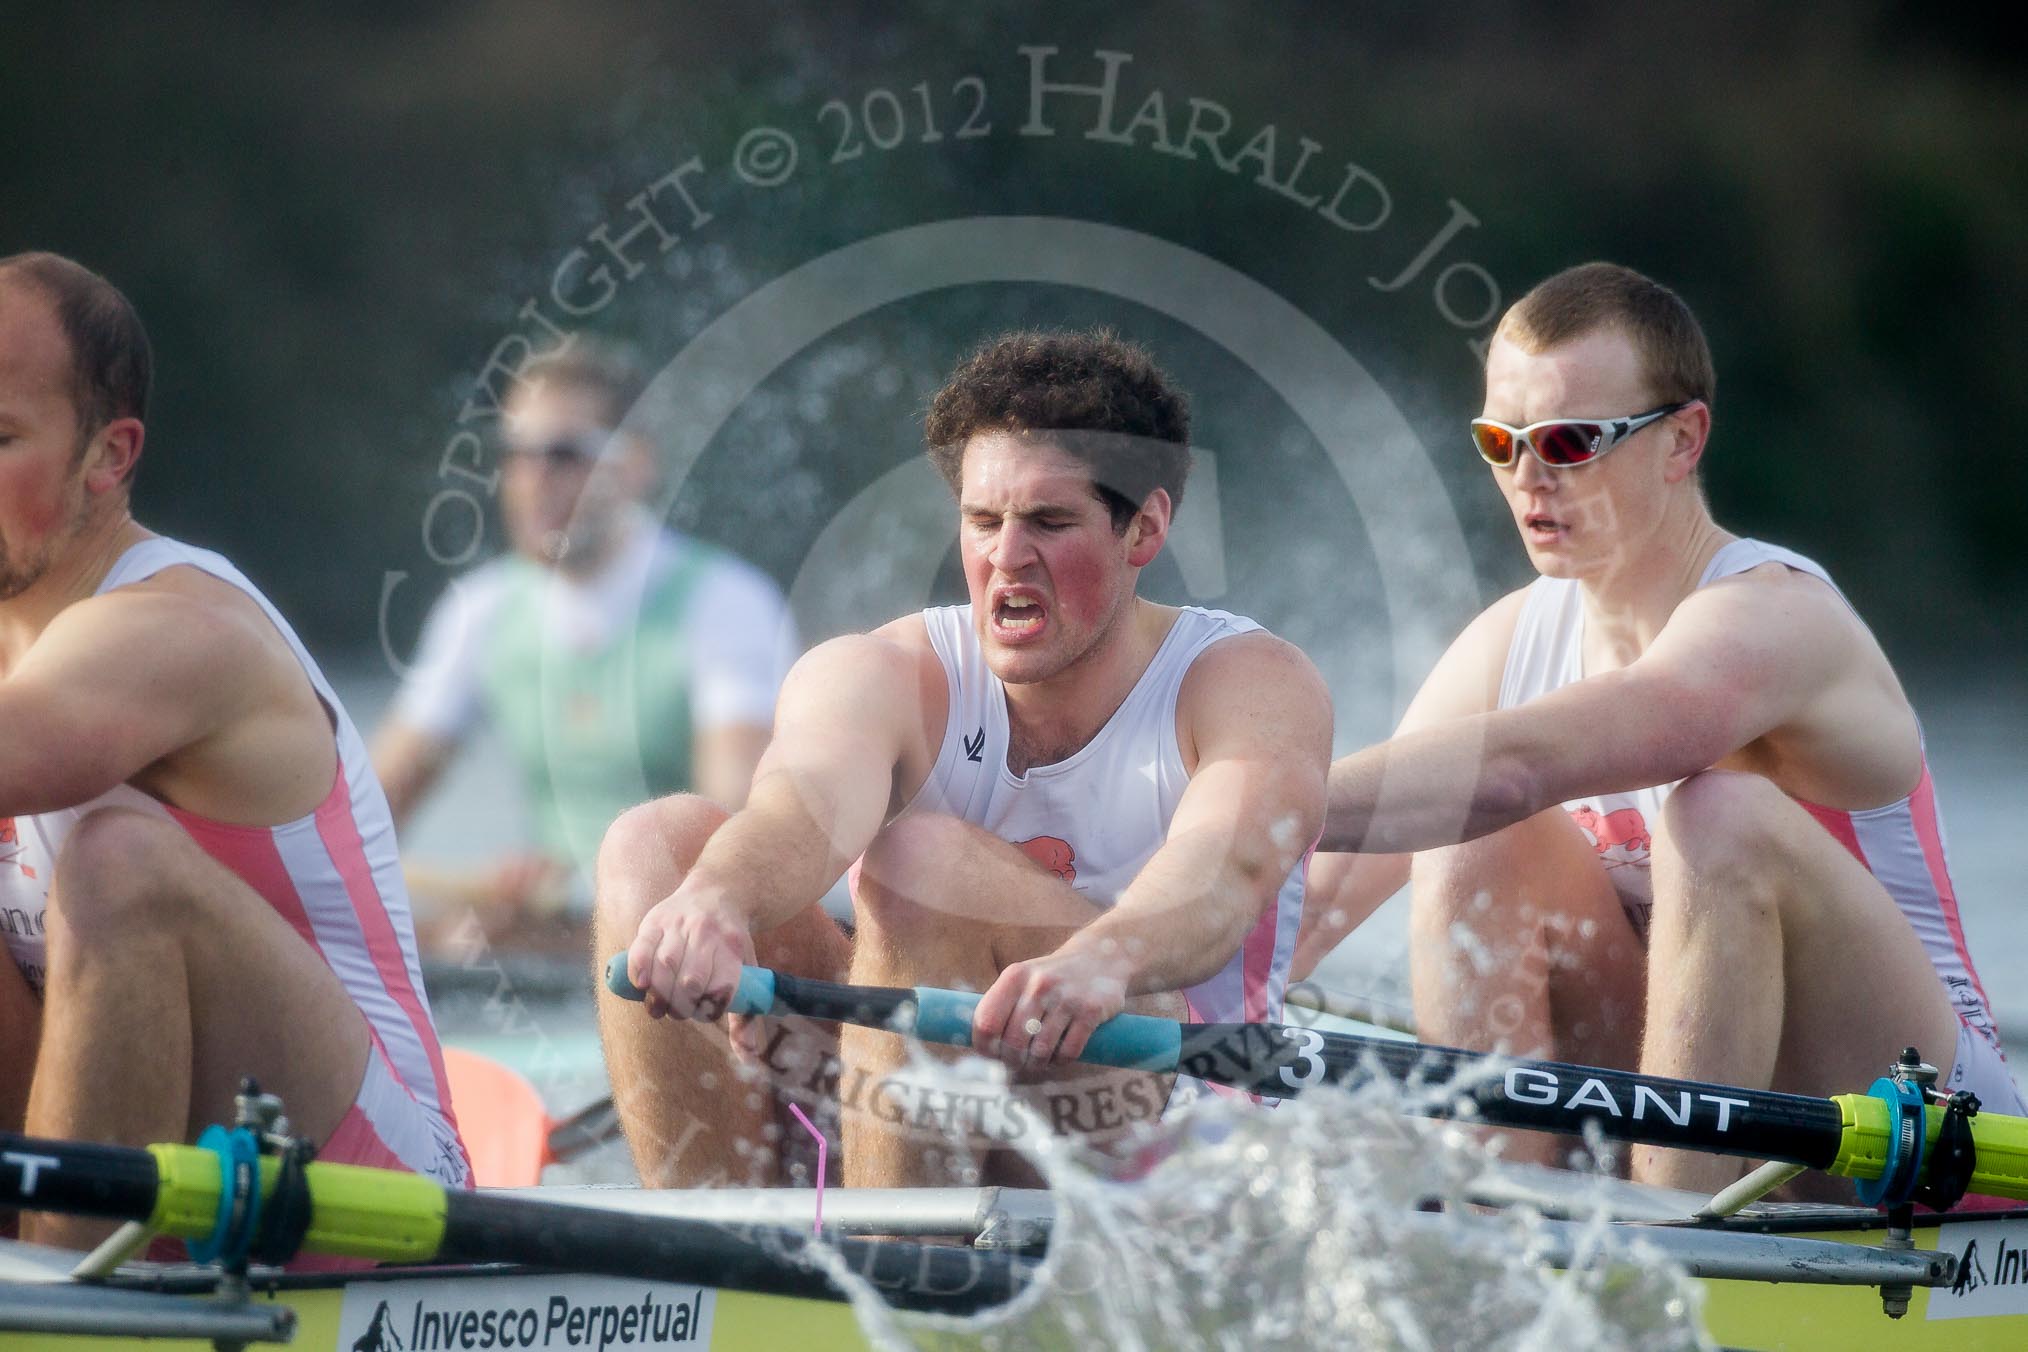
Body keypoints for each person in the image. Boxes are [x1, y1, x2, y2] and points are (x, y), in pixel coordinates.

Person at [1297, 261, 2022, 1193]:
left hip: (1923, 1130)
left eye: (1568, 441)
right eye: (1499, 441)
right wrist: (1115, 954)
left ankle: (1660, 1260)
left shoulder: (1773, 618)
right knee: (1468, 844)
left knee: (1717, 814)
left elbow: (1515, 769)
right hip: (1718, 1107)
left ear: (1682, 440)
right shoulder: (1506, 644)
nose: (1528, 477)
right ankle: (1496, 1226)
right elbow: (1304, 902)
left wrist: (1248, 794)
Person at [598, 329, 1330, 1189]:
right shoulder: (881, 672)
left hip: (1169, 1119)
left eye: (1050, 523)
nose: (1006, 558)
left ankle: (895, 1264)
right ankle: (709, 1263)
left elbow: (1221, 875)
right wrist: (716, 899)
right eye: (984, 521)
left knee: (923, 861)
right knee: (660, 846)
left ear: (1145, 530)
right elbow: (800, 811)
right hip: (933, 1087)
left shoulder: (1247, 682)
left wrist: (1105, 959)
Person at [0, 252, 469, 1251]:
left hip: (379, 1191)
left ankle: (46, 1297)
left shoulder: (178, 624)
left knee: (118, 861)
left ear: (108, 455)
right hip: (160, 1165)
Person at [371, 345, 795, 948]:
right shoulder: (480, 610)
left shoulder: (724, 605)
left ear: (634, 466)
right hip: (551, 933)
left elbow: (738, 837)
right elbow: (363, 818)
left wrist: (579, 912)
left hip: (696, 938)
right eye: (514, 455)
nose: (531, 480)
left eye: (563, 455)